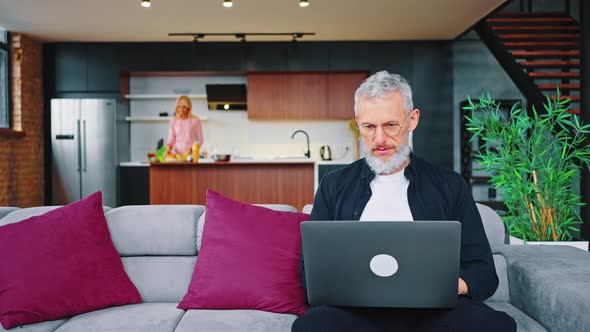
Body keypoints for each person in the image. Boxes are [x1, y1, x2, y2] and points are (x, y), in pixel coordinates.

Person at [292, 71, 516, 332]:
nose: (379, 139)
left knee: (494, 326)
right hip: (355, 312)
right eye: (369, 127)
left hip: (434, 312)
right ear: (357, 122)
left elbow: (484, 273)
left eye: (390, 125)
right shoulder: (333, 185)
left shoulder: (450, 185)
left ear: (412, 120)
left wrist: (446, 286)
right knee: (311, 327)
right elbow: (309, 274)